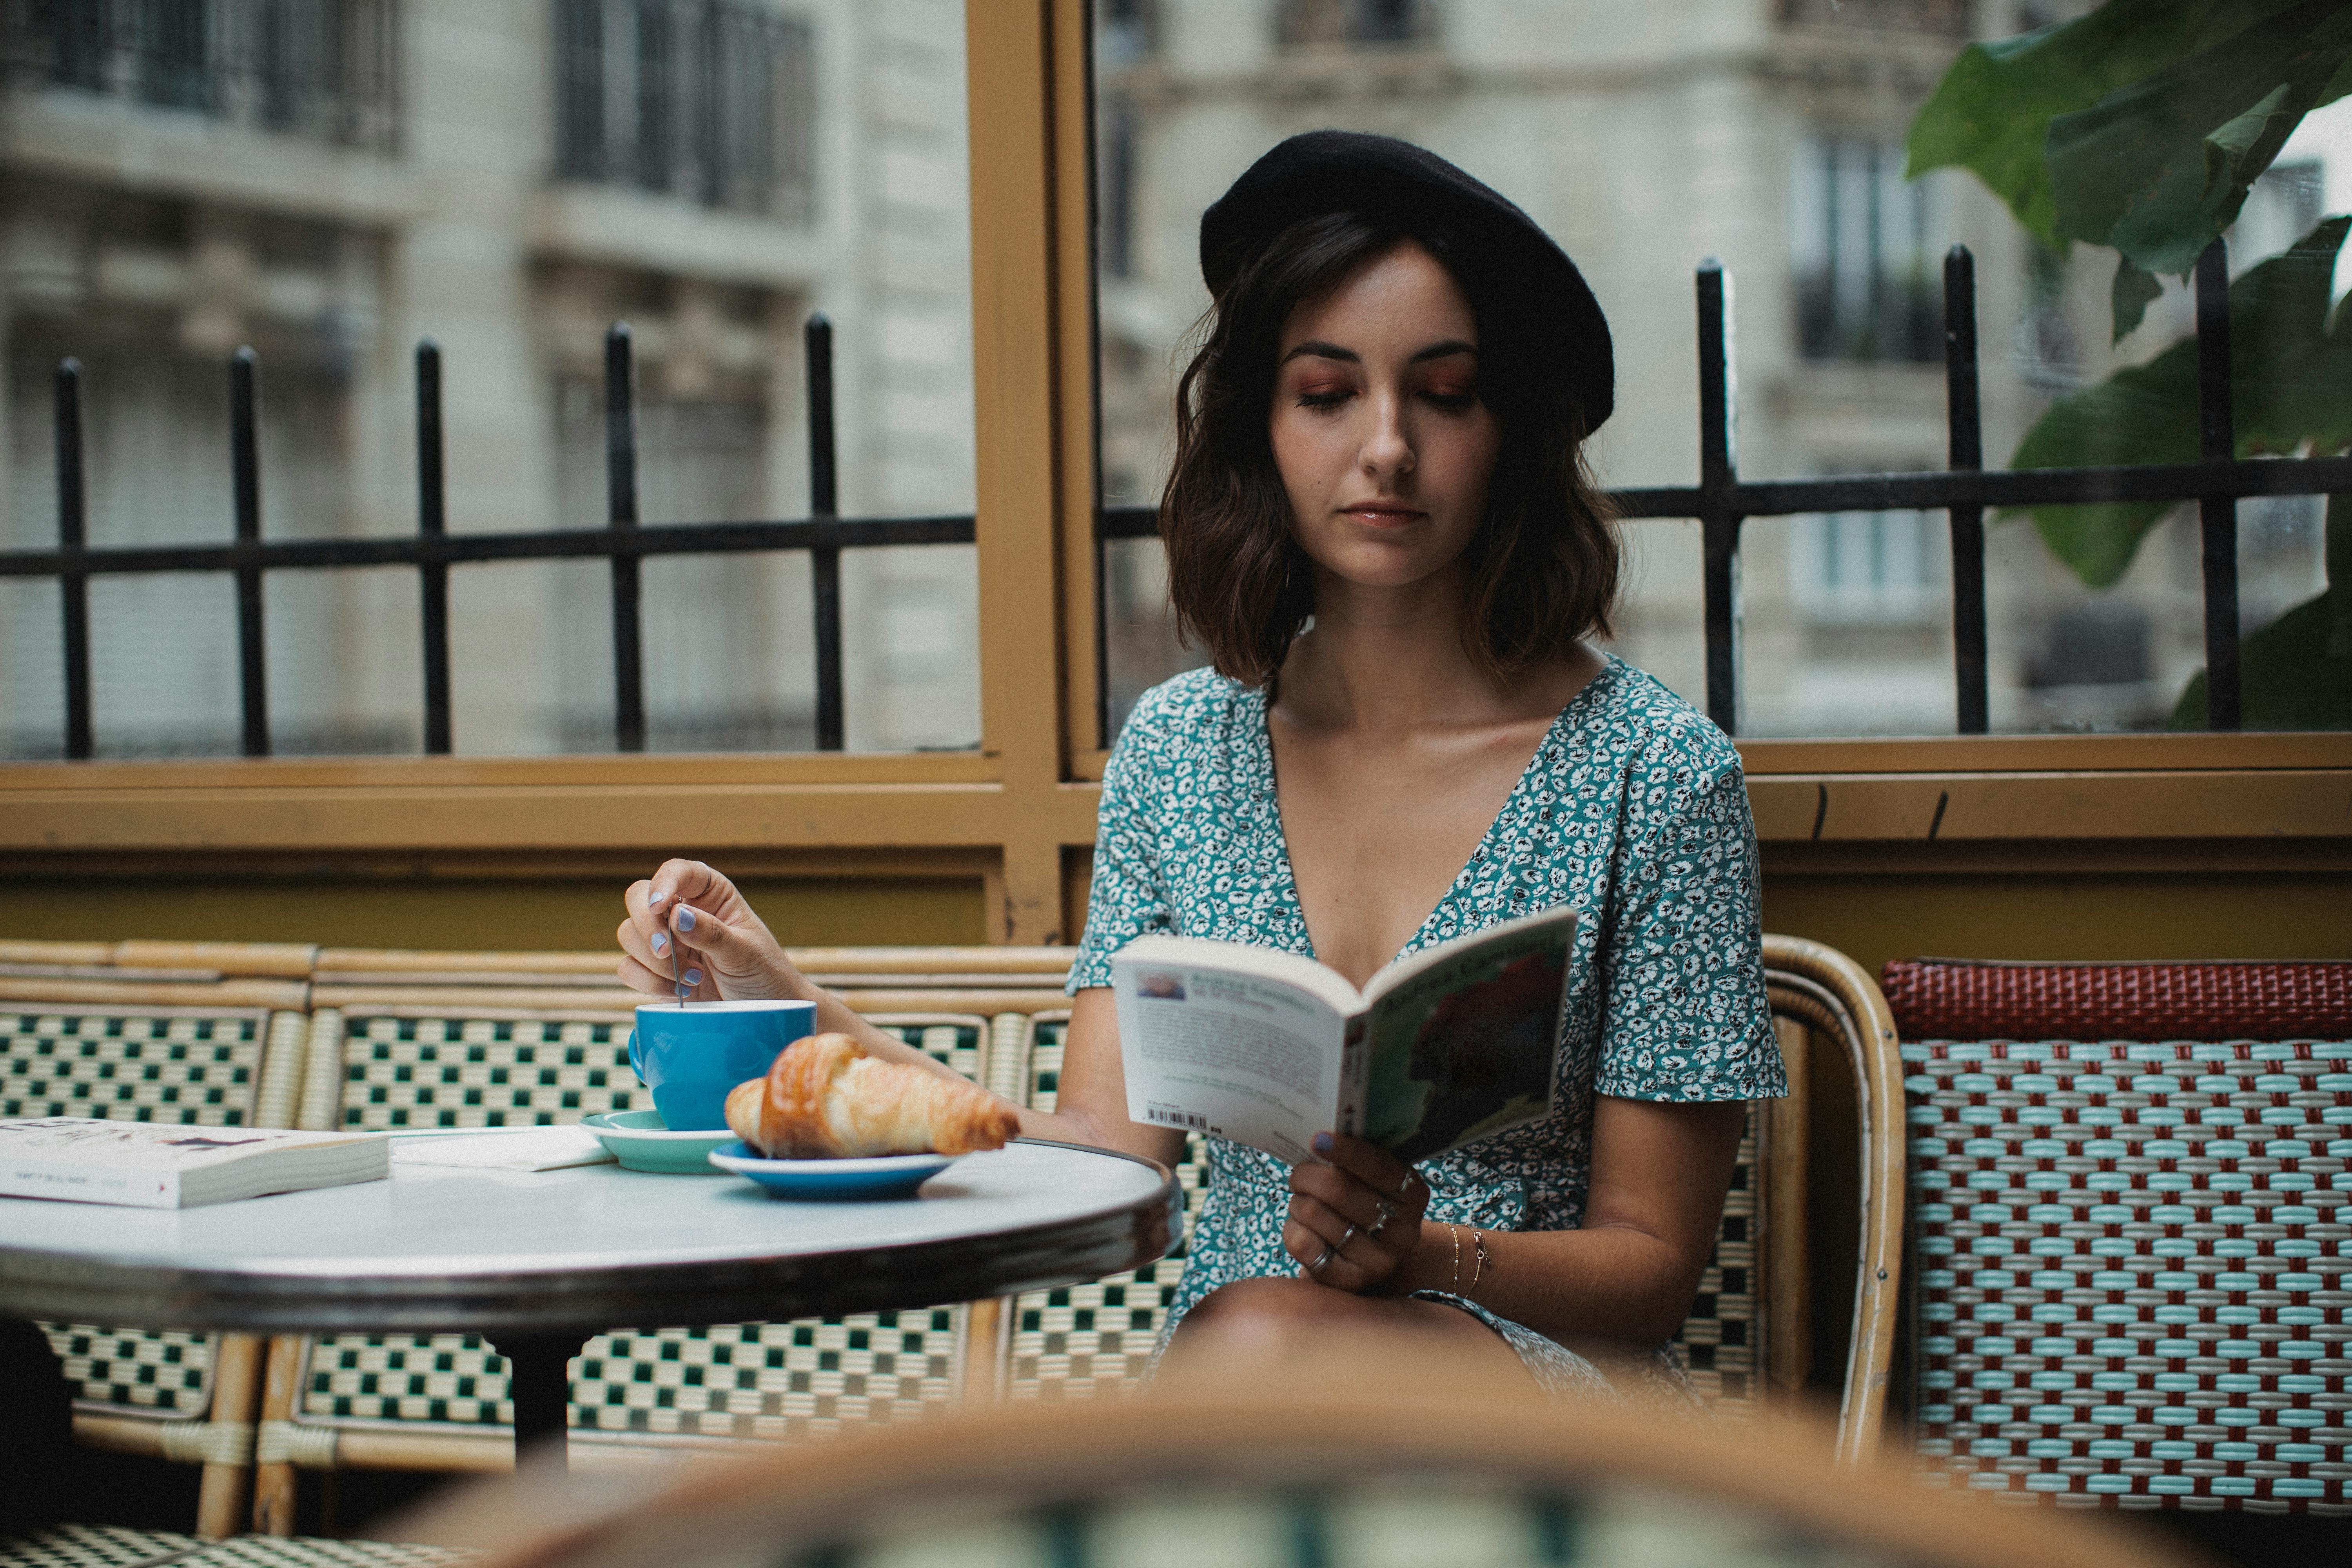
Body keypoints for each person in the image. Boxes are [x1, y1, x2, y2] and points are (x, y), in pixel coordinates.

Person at [615, 131, 1784, 1396]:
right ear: (1260, 427)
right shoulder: (1179, 752)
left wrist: (1426, 1252)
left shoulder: (1658, 775)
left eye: (1444, 393)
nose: (1387, 446)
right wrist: (778, 992)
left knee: (1254, 1354)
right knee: (1250, 1351)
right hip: (1240, 1393)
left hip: (1533, 1393)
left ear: (1509, 433)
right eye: (1329, 394)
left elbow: (1655, 1266)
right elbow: (1102, 1152)